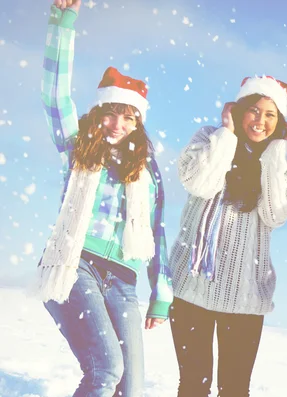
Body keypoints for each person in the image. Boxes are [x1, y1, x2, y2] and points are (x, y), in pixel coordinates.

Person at [34, 1, 173, 396]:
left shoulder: (147, 171)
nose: (119, 125)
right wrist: (63, 22)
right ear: (99, 112)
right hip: (76, 265)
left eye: (130, 118)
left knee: (132, 389)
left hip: (125, 282)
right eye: (112, 114)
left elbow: (157, 230)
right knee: (105, 370)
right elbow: (54, 97)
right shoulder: (79, 148)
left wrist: (161, 294)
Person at [168, 73, 287, 396]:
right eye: (254, 110)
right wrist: (226, 134)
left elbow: (276, 213)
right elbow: (200, 184)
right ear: (239, 111)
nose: (260, 121)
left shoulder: (281, 163)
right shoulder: (209, 138)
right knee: (193, 385)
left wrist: (276, 153)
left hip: (246, 295)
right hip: (193, 285)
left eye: (270, 115)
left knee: (235, 389)